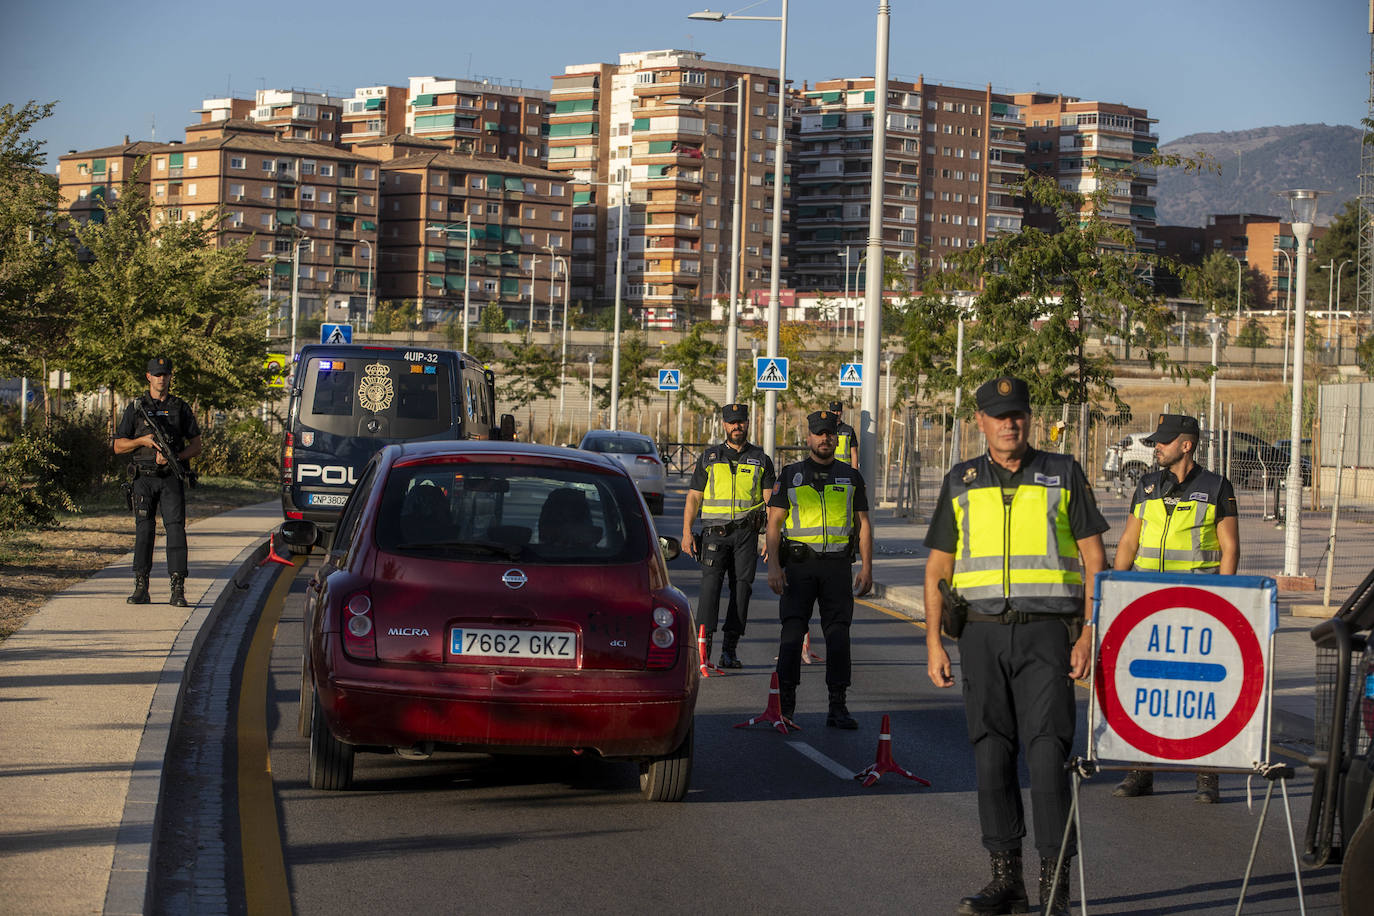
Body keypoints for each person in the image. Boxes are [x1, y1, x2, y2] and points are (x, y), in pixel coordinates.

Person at [923, 376, 1107, 916]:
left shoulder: (1063, 473)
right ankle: (1008, 881)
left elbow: (1097, 560)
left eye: (1018, 414)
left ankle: (1055, 888)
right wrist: (933, 642)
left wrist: (1091, 633)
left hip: (1048, 636)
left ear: (1031, 418)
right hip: (979, 634)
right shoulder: (961, 480)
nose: (1010, 423)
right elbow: (938, 567)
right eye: (999, 415)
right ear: (979, 422)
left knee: (1049, 756)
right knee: (990, 756)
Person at [1110, 413, 1240, 805]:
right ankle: (1141, 772)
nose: (1156, 447)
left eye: (1163, 442)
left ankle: (1207, 776)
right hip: (1147, 604)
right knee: (1147, 687)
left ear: (1186, 444)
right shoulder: (1147, 484)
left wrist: (1226, 597)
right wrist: (1116, 587)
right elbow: (1129, 542)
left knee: (1199, 687)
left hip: (1198, 604)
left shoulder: (1216, 486)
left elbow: (1229, 547)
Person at [765, 409, 874, 729]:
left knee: (838, 635)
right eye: (819, 433)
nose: (825, 438)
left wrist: (867, 567)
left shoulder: (851, 477)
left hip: (838, 567)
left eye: (831, 434)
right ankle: (785, 706)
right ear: (808, 437)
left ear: (837, 438)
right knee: (792, 632)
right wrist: (773, 567)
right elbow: (774, 524)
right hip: (799, 567)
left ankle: (837, 706)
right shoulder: (790, 474)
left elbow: (863, 525)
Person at [682, 402, 776, 668]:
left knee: (742, 590)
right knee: (710, 590)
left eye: (741, 421)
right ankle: (703, 649)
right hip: (714, 534)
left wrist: (770, 539)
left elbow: (771, 504)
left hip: (746, 535)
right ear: (724, 424)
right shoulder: (709, 458)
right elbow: (693, 498)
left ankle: (729, 650)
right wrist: (687, 531)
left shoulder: (761, 459)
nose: (737, 426)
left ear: (748, 423)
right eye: (732, 422)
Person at [113, 357, 203, 607]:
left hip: (170, 478)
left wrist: (175, 457)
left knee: (175, 530)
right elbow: (118, 446)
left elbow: (196, 446)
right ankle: (141, 586)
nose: (161, 378)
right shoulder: (136, 407)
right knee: (144, 531)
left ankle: (177, 588)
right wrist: (141, 442)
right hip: (143, 477)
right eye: (157, 374)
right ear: (148, 377)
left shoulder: (180, 407)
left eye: (165, 374)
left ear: (170, 377)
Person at [828, 399, 859, 466]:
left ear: (841, 412)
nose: (836, 413)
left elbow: (854, 453)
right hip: (828, 468)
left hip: (845, 468)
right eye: (833, 411)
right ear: (829, 412)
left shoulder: (849, 430)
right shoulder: (825, 429)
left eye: (838, 411)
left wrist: (854, 473)